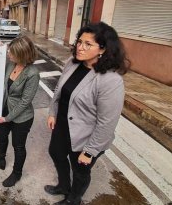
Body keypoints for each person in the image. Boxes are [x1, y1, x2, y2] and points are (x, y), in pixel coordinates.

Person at [45, 22, 129, 205]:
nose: (80, 47)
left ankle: (73, 200)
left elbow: (107, 122)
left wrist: (90, 152)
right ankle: (64, 186)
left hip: (87, 136)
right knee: (56, 153)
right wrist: (52, 112)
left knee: (80, 170)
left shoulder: (110, 81)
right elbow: (60, 89)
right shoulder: (73, 63)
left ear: (102, 49)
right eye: (79, 41)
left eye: (87, 44)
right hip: (63, 125)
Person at [0, 36, 40, 187]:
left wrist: (7, 118)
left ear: (22, 54)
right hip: (5, 109)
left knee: (18, 146)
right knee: (2, 136)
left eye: (11, 52)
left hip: (21, 117)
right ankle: (0, 158)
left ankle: (17, 173)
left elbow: (25, 102)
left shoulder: (32, 74)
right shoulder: (12, 64)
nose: (9, 54)